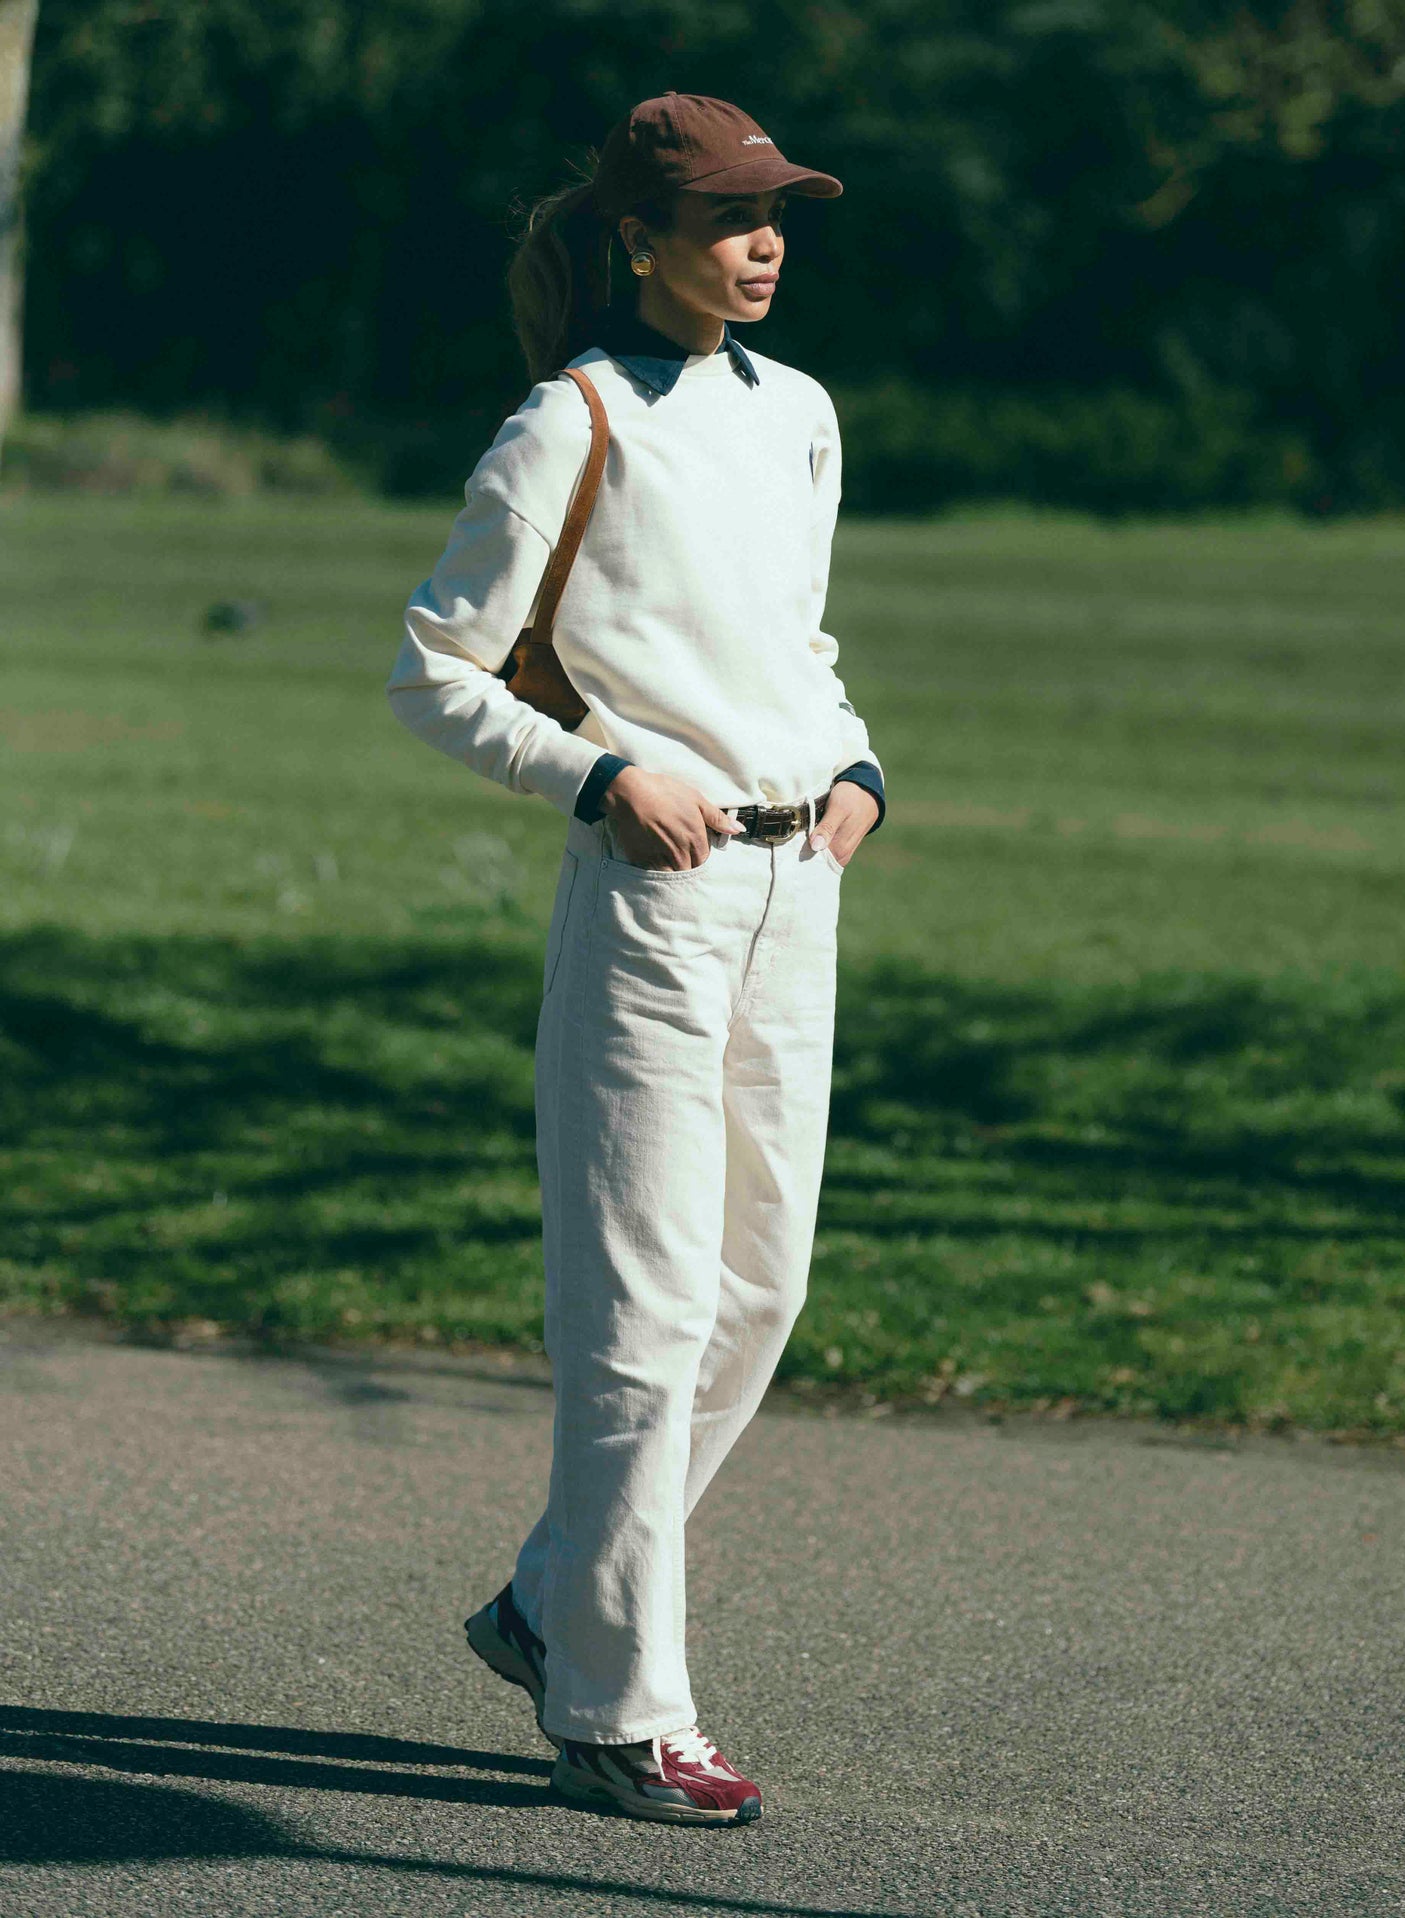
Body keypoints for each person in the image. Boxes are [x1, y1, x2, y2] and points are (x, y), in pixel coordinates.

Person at [385, 91, 885, 1828]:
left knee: (756, 1297)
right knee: (641, 1316)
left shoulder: (803, 413)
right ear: (640, 239)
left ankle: (548, 1603)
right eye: (730, 217)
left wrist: (853, 764)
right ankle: (612, 1708)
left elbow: (793, 640)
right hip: (653, 898)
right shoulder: (569, 418)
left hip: (791, 886)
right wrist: (599, 775)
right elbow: (435, 669)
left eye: (776, 214)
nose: (763, 242)